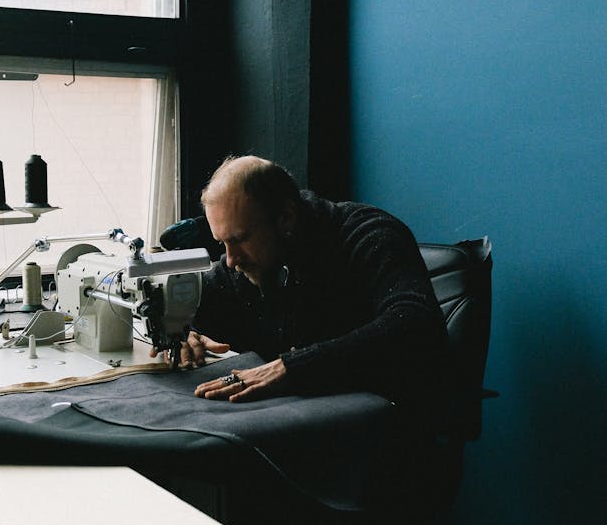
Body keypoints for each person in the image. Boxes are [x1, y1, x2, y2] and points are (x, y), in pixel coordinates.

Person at [177, 154, 449, 408]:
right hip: (304, 417)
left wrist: (289, 367)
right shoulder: (250, 260)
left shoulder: (370, 234)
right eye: (222, 243)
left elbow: (414, 323)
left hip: (386, 428)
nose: (230, 259)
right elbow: (198, 301)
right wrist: (182, 330)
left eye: (238, 239)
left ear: (286, 218)